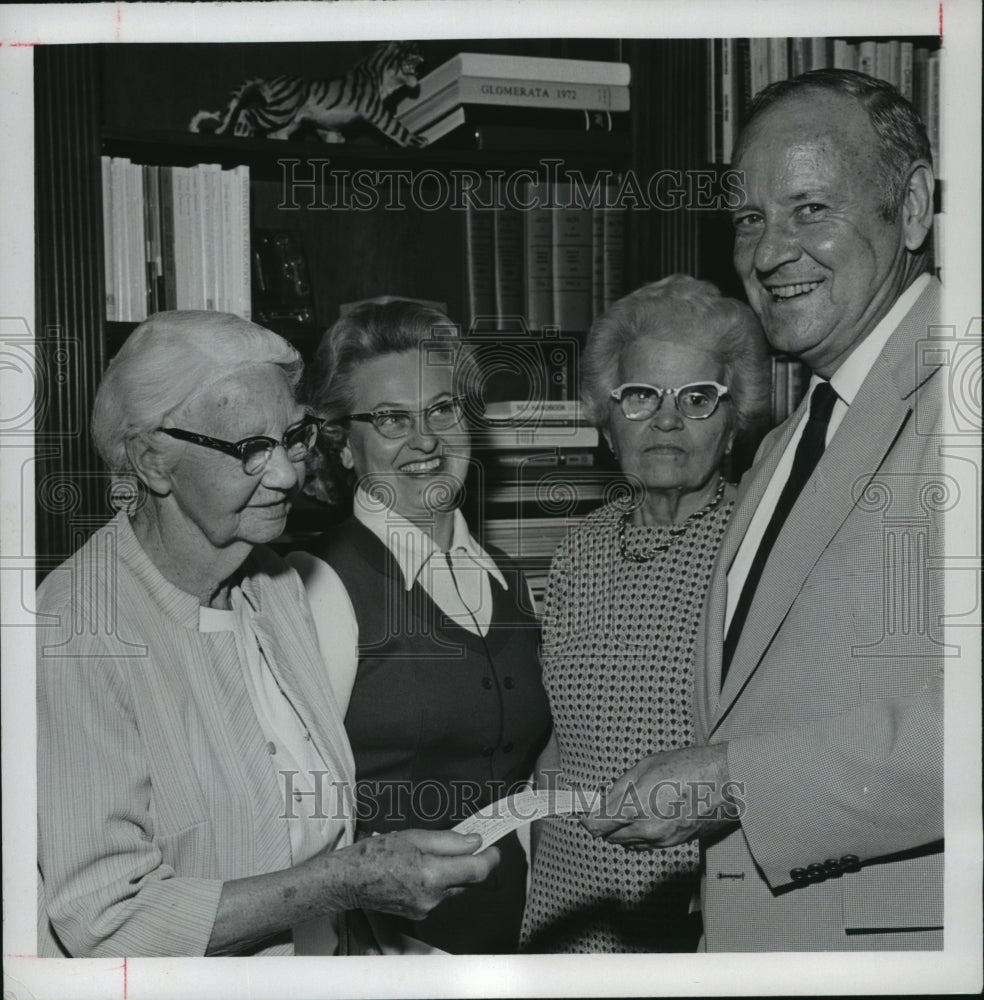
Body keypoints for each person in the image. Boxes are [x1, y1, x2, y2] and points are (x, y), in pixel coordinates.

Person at [583, 69, 945, 951]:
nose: (770, 251)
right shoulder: (784, 445)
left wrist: (733, 783)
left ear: (914, 207)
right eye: (750, 218)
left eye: (810, 207)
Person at [36, 311, 499, 958]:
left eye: (293, 438)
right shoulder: (77, 633)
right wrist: (341, 883)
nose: (286, 474)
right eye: (249, 449)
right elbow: (110, 923)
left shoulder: (276, 585)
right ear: (151, 461)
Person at [288, 300, 552, 954]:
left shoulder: (505, 579)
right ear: (343, 447)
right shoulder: (320, 584)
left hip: (514, 946)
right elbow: (289, 820)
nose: (425, 440)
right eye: (389, 420)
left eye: (442, 409)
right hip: (379, 961)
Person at [520, 275, 771, 953]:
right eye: (640, 397)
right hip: (568, 902)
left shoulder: (758, 544)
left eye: (697, 399)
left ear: (733, 420)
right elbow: (556, 740)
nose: (666, 421)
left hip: (699, 909)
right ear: (608, 417)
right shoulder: (580, 547)